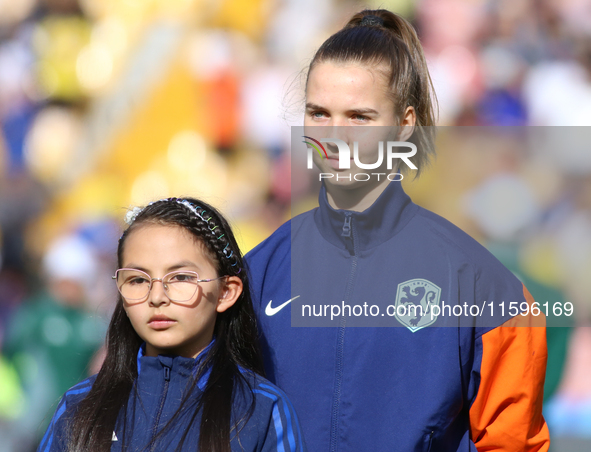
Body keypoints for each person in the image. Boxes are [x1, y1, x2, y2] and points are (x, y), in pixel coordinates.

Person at [246, 9, 550, 452]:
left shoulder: (485, 288)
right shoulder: (258, 272)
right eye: (318, 113)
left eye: (359, 117)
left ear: (405, 124)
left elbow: (513, 443)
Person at [38, 197, 305, 452]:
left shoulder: (261, 409)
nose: (156, 297)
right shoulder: (80, 405)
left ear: (226, 292)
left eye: (180, 278)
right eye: (138, 280)